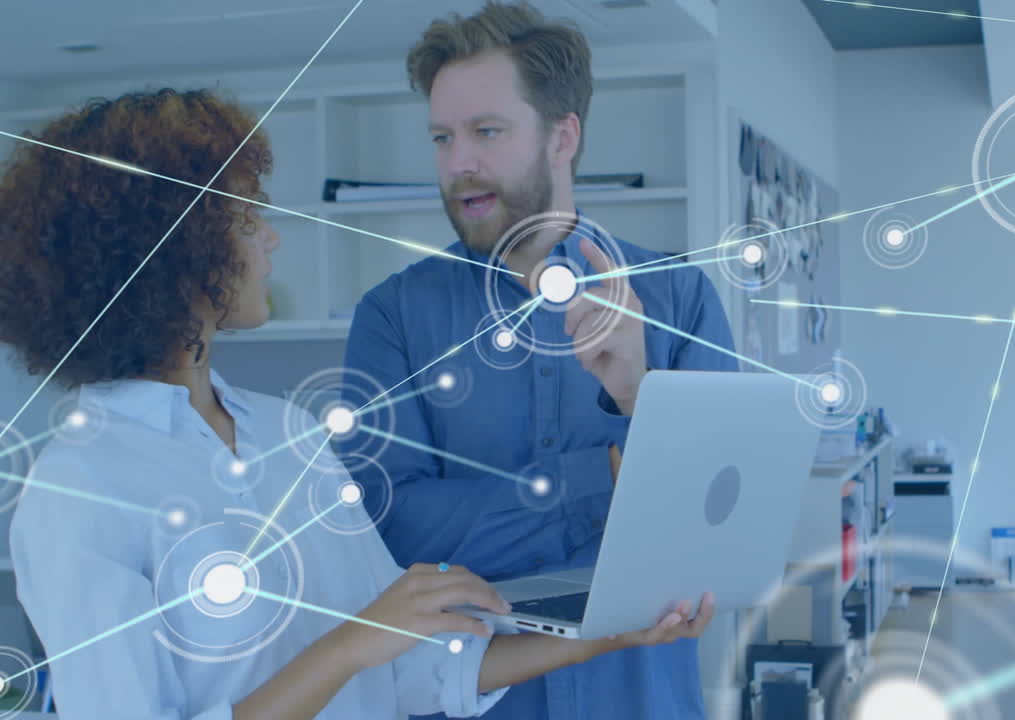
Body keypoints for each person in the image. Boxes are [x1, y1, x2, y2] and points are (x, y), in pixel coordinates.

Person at [0, 88, 712, 719]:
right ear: (174, 250)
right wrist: (350, 645)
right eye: (248, 217)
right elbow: (367, 641)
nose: (271, 237)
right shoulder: (80, 490)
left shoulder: (289, 433)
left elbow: (413, 667)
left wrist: (613, 633)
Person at [339, 3, 738, 718]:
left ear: (563, 136)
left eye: (486, 132)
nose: (458, 161)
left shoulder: (679, 297)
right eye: (442, 137)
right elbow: (388, 525)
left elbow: (719, 533)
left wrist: (638, 399)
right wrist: (604, 480)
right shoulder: (392, 317)